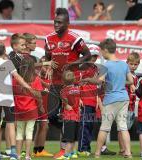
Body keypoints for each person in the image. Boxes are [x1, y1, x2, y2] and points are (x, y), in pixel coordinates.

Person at [45, 7, 91, 158]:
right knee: (51, 115)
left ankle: (65, 150)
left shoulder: (74, 38)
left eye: (59, 22)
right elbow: (47, 57)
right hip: (55, 83)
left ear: (67, 23)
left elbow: (88, 55)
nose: (56, 25)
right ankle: (71, 139)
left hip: (71, 83)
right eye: (55, 22)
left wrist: (72, 65)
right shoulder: (48, 38)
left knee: (68, 115)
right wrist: (48, 64)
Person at [82, 38, 134, 158]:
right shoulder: (123, 64)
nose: (101, 53)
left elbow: (100, 81)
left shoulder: (106, 65)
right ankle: (128, 153)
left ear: (105, 50)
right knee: (123, 127)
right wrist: (120, 83)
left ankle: (97, 153)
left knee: (105, 127)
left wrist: (89, 79)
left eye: (101, 51)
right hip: (124, 98)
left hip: (111, 99)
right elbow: (130, 81)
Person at [78, 44, 116, 157]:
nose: (94, 58)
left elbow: (97, 86)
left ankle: (87, 148)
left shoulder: (96, 68)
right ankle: (82, 149)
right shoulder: (82, 67)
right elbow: (77, 84)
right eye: (91, 55)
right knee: (84, 125)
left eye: (95, 56)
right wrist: (79, 98)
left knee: (90, 126)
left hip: (94, 101)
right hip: (85, 100)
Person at [13, 57, 44, 160]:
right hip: (32, 109)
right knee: (29, 132)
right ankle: (27, 155)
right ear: (32, 66)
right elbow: (39, 96)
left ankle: (17, 155)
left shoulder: (15, 79)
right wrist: (41, 107)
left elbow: (13, 94)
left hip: (18, 110)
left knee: (19, 133)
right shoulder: (36, 79)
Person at [118, 52, 140, 155]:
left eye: (136, 64)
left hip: (131, 105)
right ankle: (123, 149)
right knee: (122, 128)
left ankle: (124, 148)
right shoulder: (124, 74)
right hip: (123, 104)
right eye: (131, 64)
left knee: (127, 127)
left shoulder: (135, 76)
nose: (133, 66)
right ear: (127, 63)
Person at [33, 56, 53, 157]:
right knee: (43, 126)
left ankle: (36, 150)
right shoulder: (36, 77)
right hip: (36, 106)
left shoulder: (49, 78)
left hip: (43, 107)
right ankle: (39, 150)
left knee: (41, 127)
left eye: (49, 67)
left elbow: (51, 87)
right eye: (45, 66)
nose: (48, 69)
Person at [58, 70, 81, 159]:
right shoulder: (78, 90)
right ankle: (73, 153)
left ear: (63, 80)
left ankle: (66, 155)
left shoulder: (63, 91)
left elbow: (66, 105)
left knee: (68, 139)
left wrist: (66, 104)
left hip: (68, 117)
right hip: (77, 117)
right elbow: (79, 101)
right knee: (74, 138)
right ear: (74, 79)